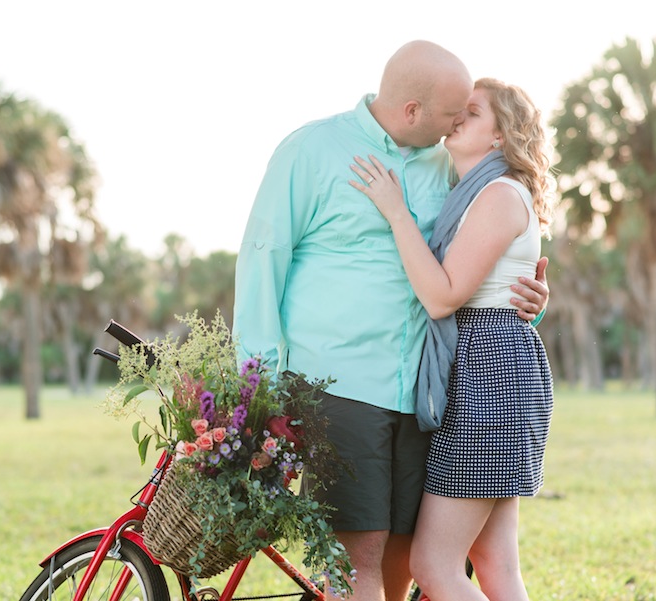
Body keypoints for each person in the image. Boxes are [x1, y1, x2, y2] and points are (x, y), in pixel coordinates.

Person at [232, 40, 549, 601]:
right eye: (453, 114)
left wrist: (524, 298)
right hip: (341, 385)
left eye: (466, 115)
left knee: (407, 563)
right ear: (413, 111)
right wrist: (261, 383)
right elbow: (263, 258)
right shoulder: (313, 150)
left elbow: (482, 255)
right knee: (357, 563)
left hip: (428, 394)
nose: (456, 124)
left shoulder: (448, 166)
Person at [349, 77, 555, 600]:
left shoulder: (498, 194)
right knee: (493, 561)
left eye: (474, 111)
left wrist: (396, 212)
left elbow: (442, 298)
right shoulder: (480, 193)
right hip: (494, 364)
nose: (458, 116)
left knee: (434, 564)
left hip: (490, 376)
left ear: (502, 137)